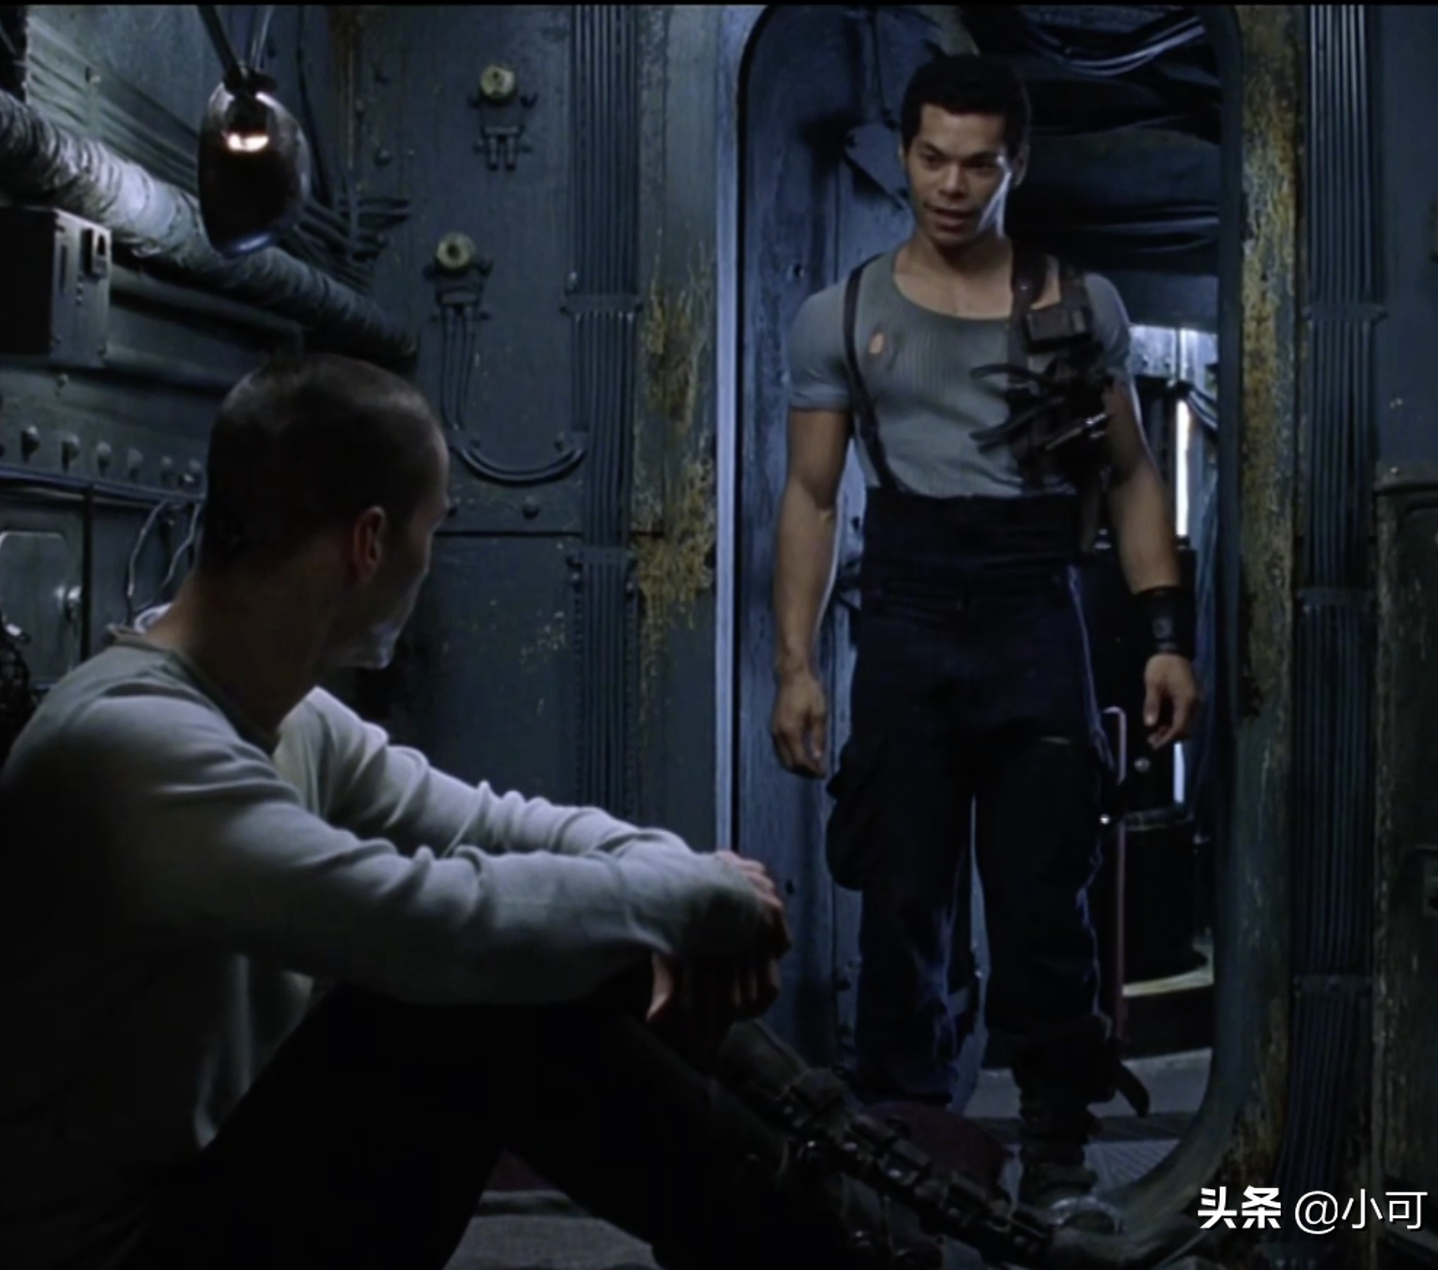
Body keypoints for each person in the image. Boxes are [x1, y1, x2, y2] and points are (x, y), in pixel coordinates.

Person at [0, 354, 1083, 1270]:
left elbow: (501, 825)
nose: (430, 559)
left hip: (227, 1208)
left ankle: (859, 1207)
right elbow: (432, 926)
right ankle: (850, 1246)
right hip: (131, 1253)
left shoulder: (291, 720)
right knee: (468, 987)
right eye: (433, 530)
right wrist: (689, 903)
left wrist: (686, 883)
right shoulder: (132, 748)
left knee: (545, 933)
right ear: (370, 544)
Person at [768, 53, 1204, 1232]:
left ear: (1017, 165)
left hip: (1033, 613)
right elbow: (811, 496)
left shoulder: (1079, 305)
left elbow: (1132, 474)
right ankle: (908, 1154)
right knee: (901, 900)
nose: (951, 187)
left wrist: (1166, 636)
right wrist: (796, 666)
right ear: (904, 153)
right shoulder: (842, 316)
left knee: (1043, 899)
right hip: (908, 614)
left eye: (978, 165)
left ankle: (1058, 1158)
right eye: (931, 159)